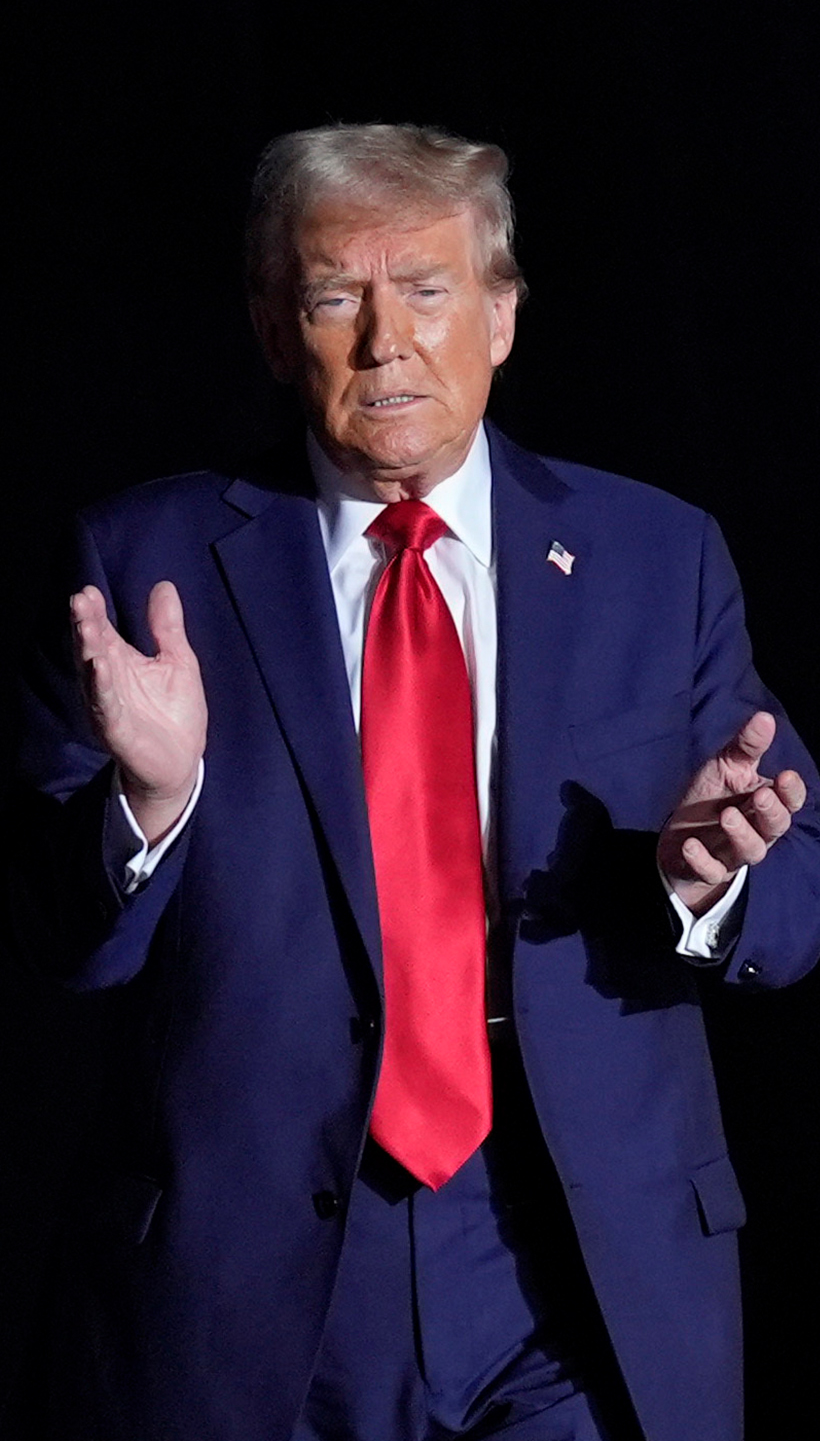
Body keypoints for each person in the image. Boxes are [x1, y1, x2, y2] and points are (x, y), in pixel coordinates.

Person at [11, 124, 820, 1441]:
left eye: (430, 292)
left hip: (574, 1262)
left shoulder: (656, 558)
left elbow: (795, 912)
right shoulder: (139, 561)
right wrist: (148, 804)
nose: (389, 342)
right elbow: (53, 941)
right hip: (254, 1283)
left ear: (500, 317)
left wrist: (709, 881)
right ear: (278, 333)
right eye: (338, 298)